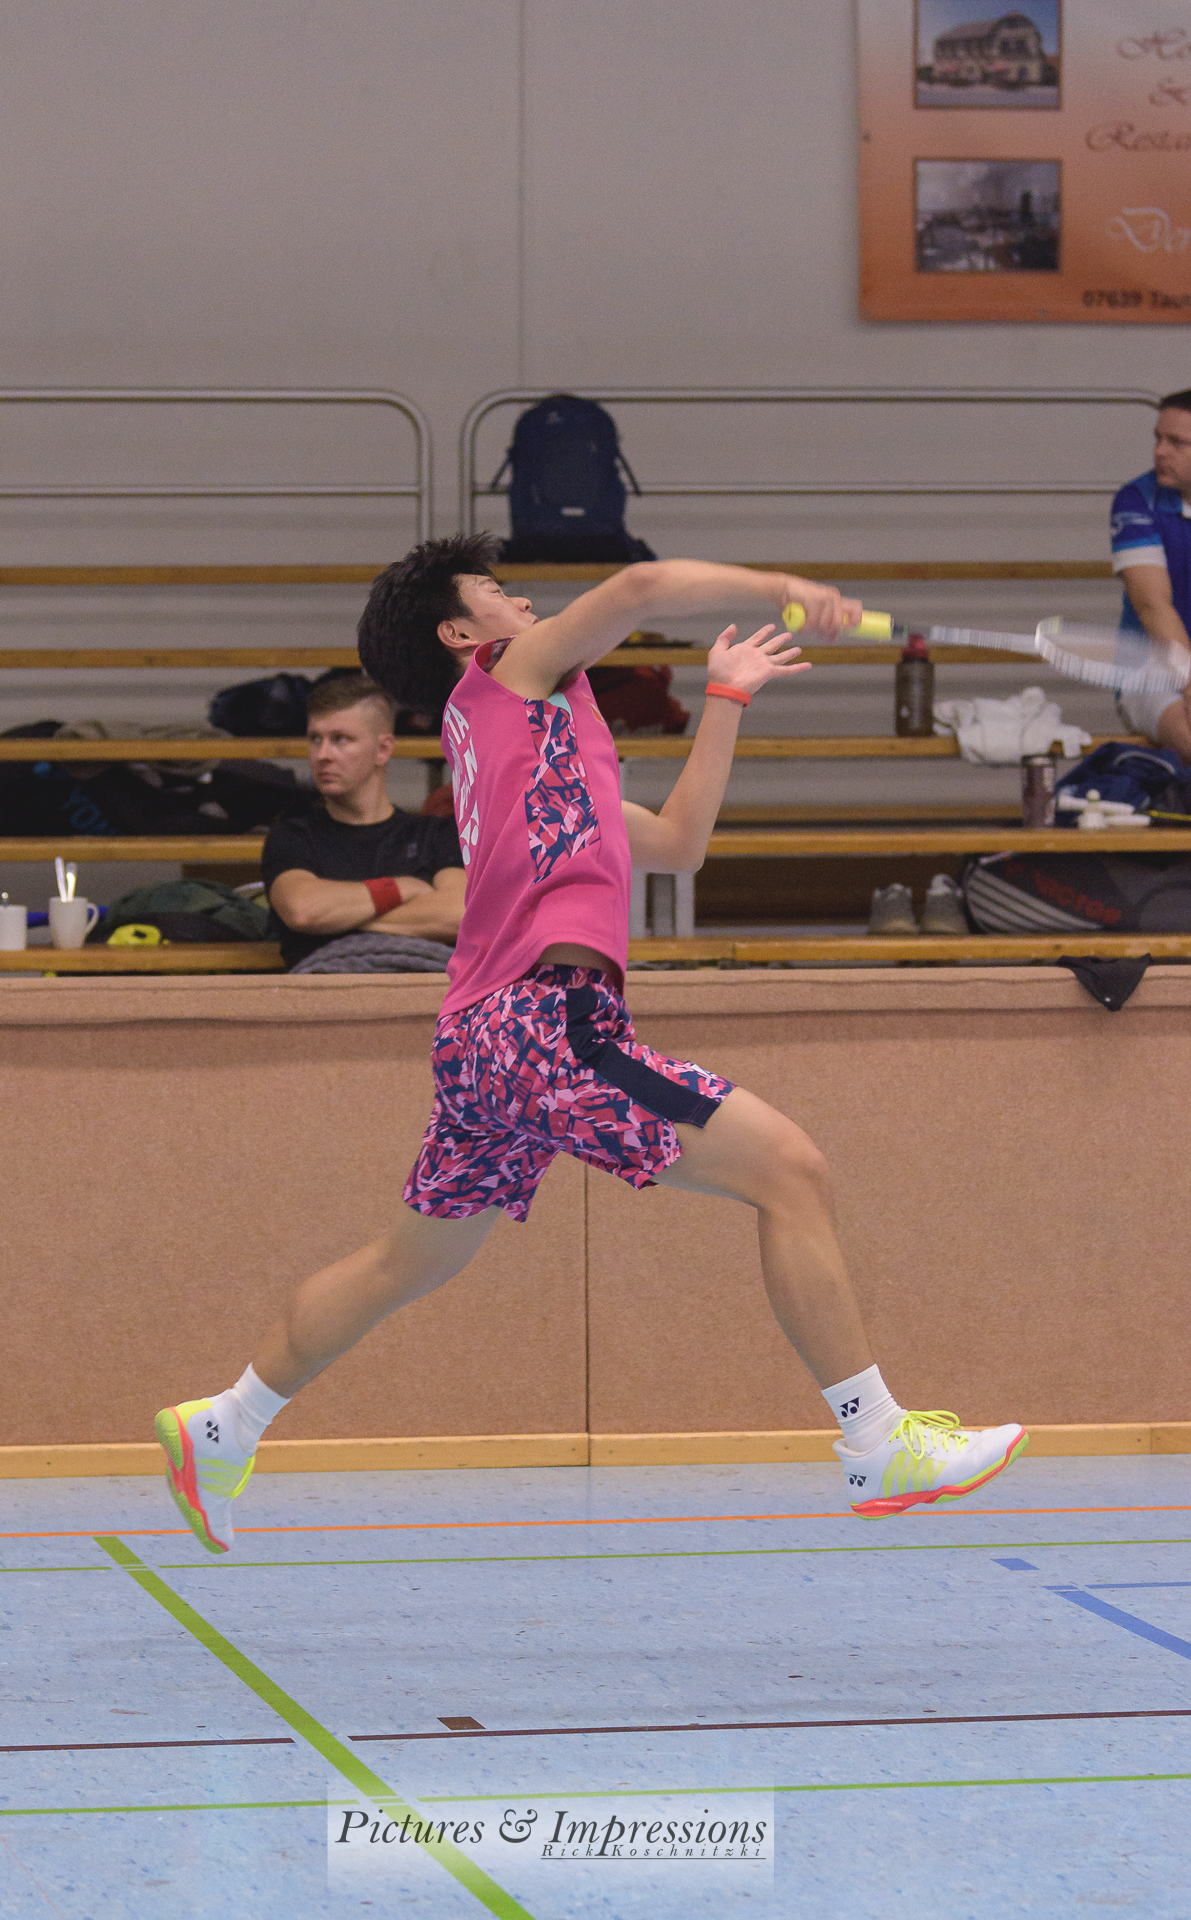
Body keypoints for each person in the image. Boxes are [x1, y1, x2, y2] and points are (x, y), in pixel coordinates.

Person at [156, 535, 1026, 1552]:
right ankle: (876, 1441)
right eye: (496, 591)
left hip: (480, 1039)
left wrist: (725, 698)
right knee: (790, 1170)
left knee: (404, 1263)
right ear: (460, 633)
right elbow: (644, 586)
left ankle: (225, 1424)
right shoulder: (503, 680)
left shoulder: (532, 756)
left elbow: (677, 845)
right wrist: (786, 587)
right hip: (547, 1019)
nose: (523, 603)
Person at [262, 674, 465, 970]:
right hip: (324, 988)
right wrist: (399, 889)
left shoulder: (436, 834)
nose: (322, 755)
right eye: (315, 739)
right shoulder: (292, 836)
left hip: (420, 986)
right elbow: (303, 910)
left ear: (383, 749)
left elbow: (458, 915)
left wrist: (338, 918)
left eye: (340, 739)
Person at [1111, 387, 1191, 757]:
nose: (1160, 452)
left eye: (1177, 443)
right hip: (1148, 674)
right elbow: (1153, 605)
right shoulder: (1135, 501)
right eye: (1158, 439)